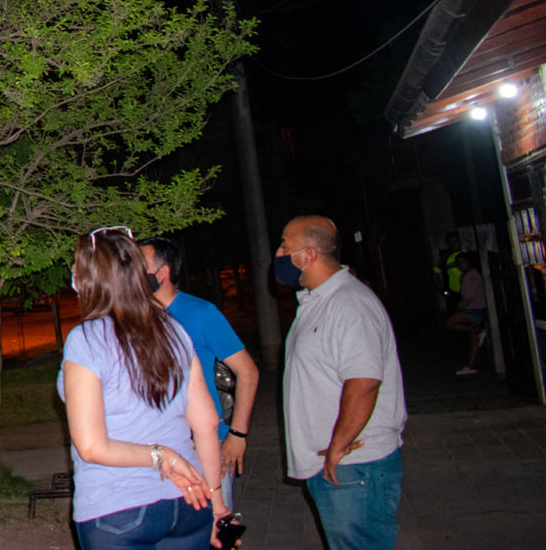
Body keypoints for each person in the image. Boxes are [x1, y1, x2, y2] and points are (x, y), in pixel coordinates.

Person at [59, 226, 238, 549]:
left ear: (89, 278)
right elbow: (208, 423)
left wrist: (161, 455)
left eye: (76, 268)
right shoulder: (174, 330)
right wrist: (216, 503)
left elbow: (91, 446)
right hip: (189, 503)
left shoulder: (86, 340)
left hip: (117, 509)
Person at [276, 215, 406, 550]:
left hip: (353, 466)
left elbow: (364, 382)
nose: (278, 254)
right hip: (336, 465)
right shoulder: (319, 301)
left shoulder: (349, 304)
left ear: (308, 254)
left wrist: (338, 446)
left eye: (285, 247)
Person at [139, 237, 260, 511]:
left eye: (139, 266)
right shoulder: (136, 319)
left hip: (206, 443)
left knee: (212, 518)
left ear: (163, 273)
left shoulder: (201, 313)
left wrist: (237, 434)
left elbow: (248, 372)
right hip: (158, 444)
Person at [444, 252, 487, 375]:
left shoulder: (471, 275)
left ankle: (479, 330)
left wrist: (461, 305)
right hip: (474, 308)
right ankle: (470, 365)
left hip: (473, 309)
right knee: (473, 339)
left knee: (449, 323)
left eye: (463, 262)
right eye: (458, 263)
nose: (460, 265)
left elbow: (469, 295)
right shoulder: (466, 275)